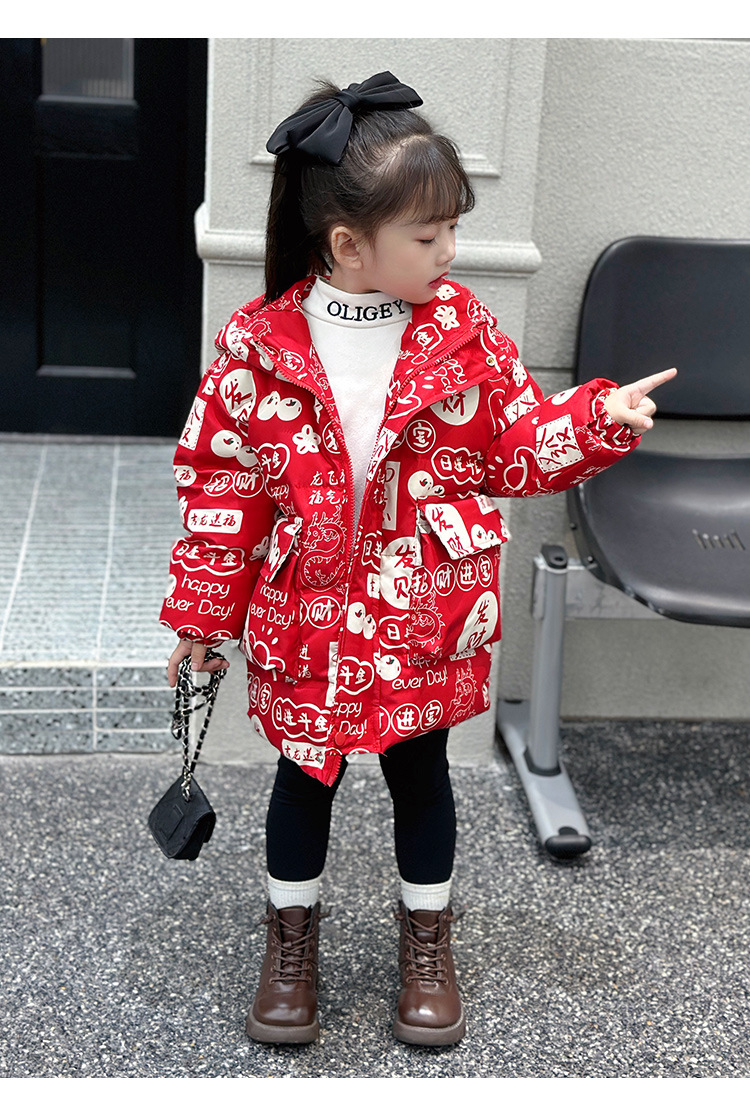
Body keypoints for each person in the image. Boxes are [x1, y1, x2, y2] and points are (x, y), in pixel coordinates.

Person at [160, 72, 675, 1047]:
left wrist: (594, 420)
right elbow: (224, 489)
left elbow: (512, 447)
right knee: (302, 781)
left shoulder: (465, 334)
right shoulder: (258, 347)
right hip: (307, 617)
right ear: (349, 244)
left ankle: (427, 941)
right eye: (429, 234)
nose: (450, 251)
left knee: (422, 775)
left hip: (424, 614)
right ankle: (290, 944)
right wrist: (201, 616)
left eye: (452, 230)